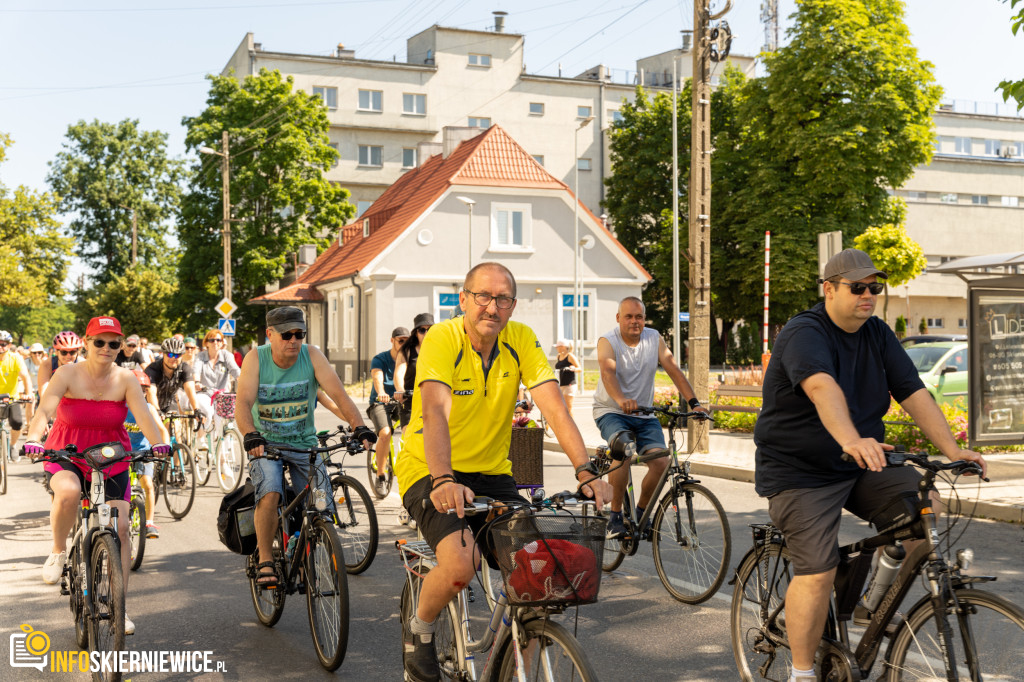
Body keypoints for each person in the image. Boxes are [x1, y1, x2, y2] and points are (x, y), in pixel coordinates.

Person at [753, 248, 987, 682]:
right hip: (799, 471)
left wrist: (954, 451)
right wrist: (851, 439)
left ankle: (870, 605)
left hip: (861, 461)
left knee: (927, 513)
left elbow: (912, 390)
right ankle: (802, 673)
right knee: (818, 570)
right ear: (829, 289)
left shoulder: (877, 334)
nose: (868, 295)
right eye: (857, 287)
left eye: (874, 288)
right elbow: (821, 386)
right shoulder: (806, 333)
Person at [396, 262, 612, 682]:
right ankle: (419, 629)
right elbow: (435, 413)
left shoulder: (520, 340)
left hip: (493, 472)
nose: (491, 307)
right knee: (461, 566)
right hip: (429, 467)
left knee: (536, 577)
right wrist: (443, 479)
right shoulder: (443, 339)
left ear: (512, 305)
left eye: (502, 299)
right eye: (483, 296)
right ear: (464, 299)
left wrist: (585, 470)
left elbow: (554, 407)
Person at [23, 316, 169, 636]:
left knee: (120, 526)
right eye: (99, 341)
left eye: (114, 343)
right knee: (70, 491)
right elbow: (45, 409)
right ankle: (59, 551)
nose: (106, 348)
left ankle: (120, 607)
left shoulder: (126, 378)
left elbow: (143, 415)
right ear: (86, 343)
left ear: (120, 347)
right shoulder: (67, 373)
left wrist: (159, 443)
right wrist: (34, 438)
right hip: (68, 451)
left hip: (110, 456)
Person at [236, 306, 375, 587]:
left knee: (320, 504)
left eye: (299, 334)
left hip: (304, 444)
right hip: (266, 444)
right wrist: (251, 434)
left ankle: (303, 549)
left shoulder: (311, 356)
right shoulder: (256, 359)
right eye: (287, 334)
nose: (294, 340)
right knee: (271, 492)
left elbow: (339, 394)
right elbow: (243, 403)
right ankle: (265, 559)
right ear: (270, 335)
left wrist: (358, 425)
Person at [593, 296, 706, 539]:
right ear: (618, 319)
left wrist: (695, 404)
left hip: (644, 415)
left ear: (644, 319)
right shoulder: (607, 341)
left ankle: (641, 513)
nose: (635, 321)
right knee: (623, 450)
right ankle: (614, 518)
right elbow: (607, 372)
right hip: (612, 411)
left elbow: (674, 370)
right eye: (629, 316)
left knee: (661, 463)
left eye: (639, 317)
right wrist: (621, 399)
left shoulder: (654, 338)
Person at [124, 369, 170, 538]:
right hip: (123, 452)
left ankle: (149, 522)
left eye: (144, 390)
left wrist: (164, 447)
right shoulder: (121, 408)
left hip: (143, 452)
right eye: (138, 389)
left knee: (148, 485)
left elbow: (162, 429)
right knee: (120, 486)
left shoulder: (149, 408)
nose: (141, 393)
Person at [367, 326, 410, 496]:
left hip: (402, 403)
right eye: (401, 341)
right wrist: (382, 393)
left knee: (415, 431)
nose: (404, 345)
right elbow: (377, 377)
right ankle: (381, 475)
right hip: (381, 402)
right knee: (385, 433)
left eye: (407, 341)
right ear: (392, 341)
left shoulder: (412, 359)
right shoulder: (381, 359)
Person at [193, 330, 241, 430]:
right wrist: (197, 382)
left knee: (224, 425)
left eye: (218, 340)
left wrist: (243, 382)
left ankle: (225, 444)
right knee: (207, 412)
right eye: (212, 340)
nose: (215, 342)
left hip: (222, 395)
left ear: (222, 342)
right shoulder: (201, 356)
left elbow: (235, 370)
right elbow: (196, 370)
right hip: (205, 393)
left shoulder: (227, 355)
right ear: (206, 343)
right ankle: (203, 438)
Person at [144, 337, 201, 419]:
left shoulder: (184, 368)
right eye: (170, 354)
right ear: (163, 354)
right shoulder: (152, 369)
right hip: (150, 404)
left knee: (175, 427)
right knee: (158, 428)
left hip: (169, 403)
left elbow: (190, 390)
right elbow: (151, 393)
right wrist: (157, 410)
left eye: (177, 355)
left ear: (182, 356)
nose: (173, 358)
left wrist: (197, 409)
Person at [394, 312, 434, 428]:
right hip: (410, 399)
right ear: (416, 333)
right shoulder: (407, 350)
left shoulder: (440, 349)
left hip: (432, 398)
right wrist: (400, 390)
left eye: (430, 329)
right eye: (422, 330)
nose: (426, 333)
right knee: (408, 434)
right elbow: (399, 372)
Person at [0, 330, 32, 459]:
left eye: (4, 344)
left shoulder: (15, 358)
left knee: (17, 422)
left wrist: (28, 393)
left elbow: (25, 377)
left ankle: (12, 445)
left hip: (11, 397)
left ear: (9, 345)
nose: (1, 346)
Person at [37, 331, 84, 398]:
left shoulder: (83, 364)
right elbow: (44, 394)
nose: (68, 356)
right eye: (64, 352)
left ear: (77, 352)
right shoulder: (47, 364)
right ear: (56, 352)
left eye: (72, 352)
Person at [554, 338, 581, 412]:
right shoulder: (558, 356)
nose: (556, 348)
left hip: (569, 385)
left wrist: (573, 368)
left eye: (557, 347)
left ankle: (571, 423)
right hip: (561, 384)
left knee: (568, 408)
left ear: (563, 347)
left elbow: (579, 368)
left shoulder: (570, 356)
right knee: (560, 407)